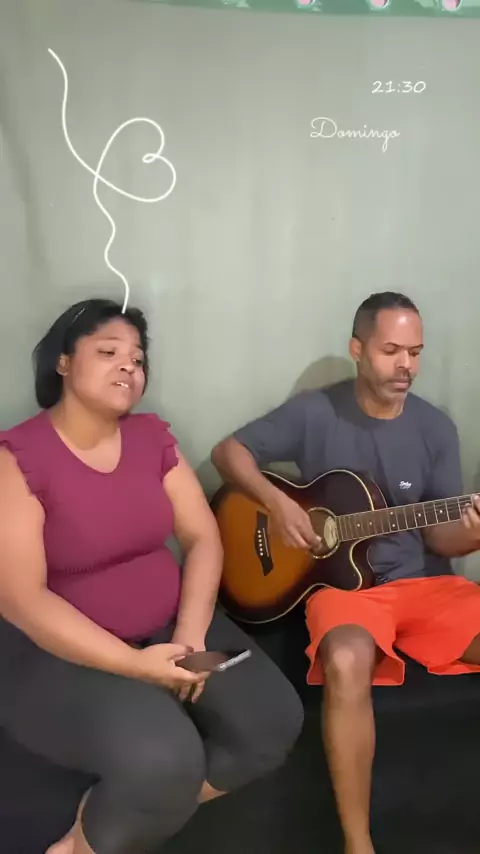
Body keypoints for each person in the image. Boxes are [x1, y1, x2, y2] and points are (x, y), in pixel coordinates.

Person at [0, 298, 303, 854]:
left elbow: (203, 538)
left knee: (272, 722)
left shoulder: (151, 438)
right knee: (166, 762)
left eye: (138, 359)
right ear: (63, 362)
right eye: (108, 352)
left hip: (170, 627)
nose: (129, 366)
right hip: (59, 655)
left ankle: (124, 820)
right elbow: (21, 599)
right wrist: (136, 666)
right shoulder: (18, 457)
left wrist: (190, 637)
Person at [211, 291, 480, 854]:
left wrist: (475, 532)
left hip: (425, 584)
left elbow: (440, 537)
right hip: (343, 588)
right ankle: (358, 845)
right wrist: (278, 505)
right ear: (357, 349)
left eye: (415, 353)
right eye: (390, 350)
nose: (405, 365)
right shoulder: (315, 411)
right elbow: (229, 453)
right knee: (346, 659)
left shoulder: (435, 427)